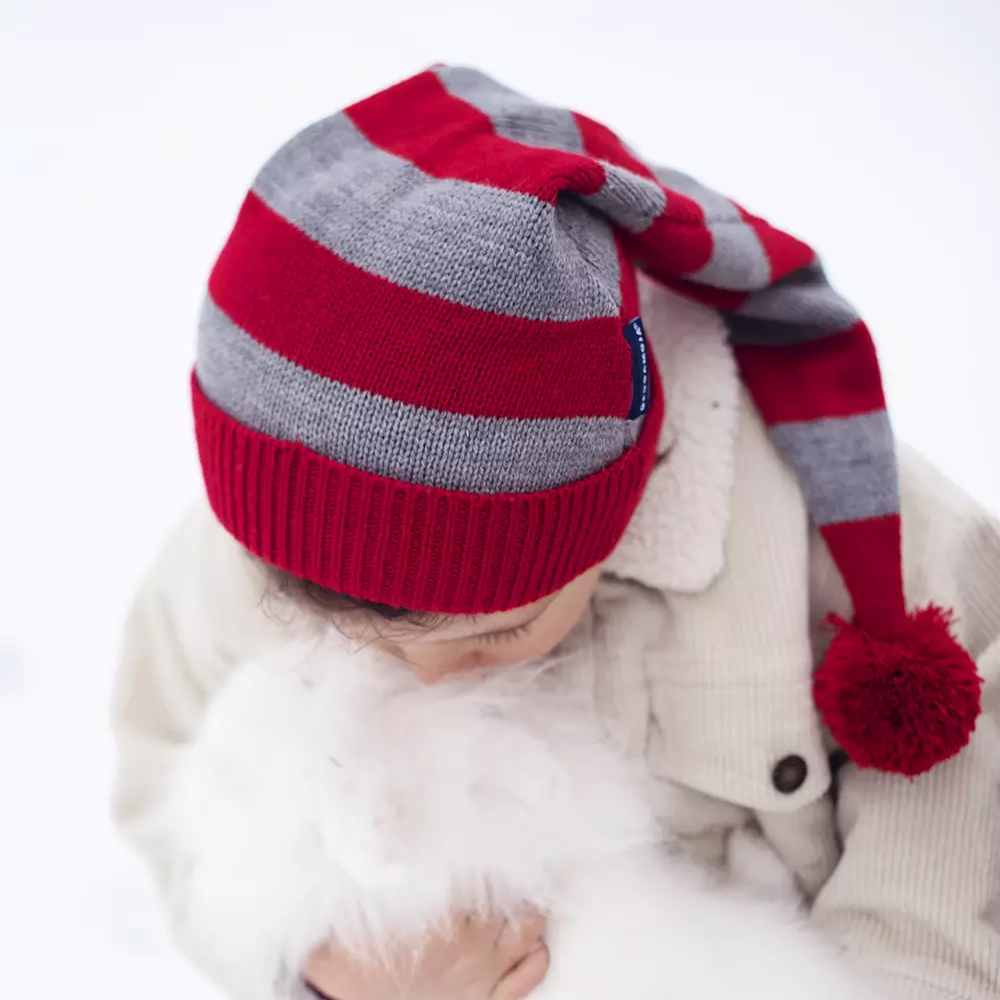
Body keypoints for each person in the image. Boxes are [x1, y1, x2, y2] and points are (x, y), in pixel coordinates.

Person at [111, 65, 1000, 1000]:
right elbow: (161, 773)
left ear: (609, 515)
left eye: (497, 630)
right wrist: (322, 970)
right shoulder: (259, 541)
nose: (428, 677)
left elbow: (944, 913)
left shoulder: (859, 550)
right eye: (365, 639)